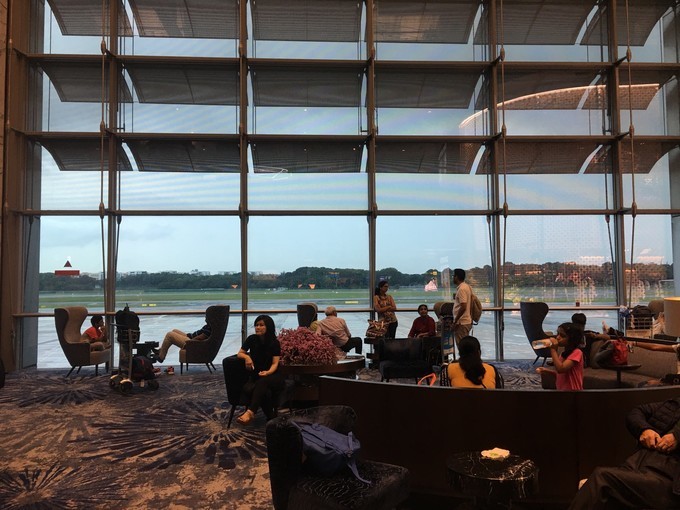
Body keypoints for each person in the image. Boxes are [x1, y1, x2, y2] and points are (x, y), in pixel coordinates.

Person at [569, 397, 680, 509]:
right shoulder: (674, 404)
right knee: (594, 488)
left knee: (601, 478)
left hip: (667, 480)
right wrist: (644, 429)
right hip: (637, 465)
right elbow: (636, 412)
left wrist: (677, 436)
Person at [236, 314, 285, 425]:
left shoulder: (274, 343)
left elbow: (275, 363)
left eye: (261, 325)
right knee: (264, 390)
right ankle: (271, 418)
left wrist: (268, 372)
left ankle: (250, 412)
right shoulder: (251, 339)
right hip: (258, 375)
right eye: (256, 325)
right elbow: (240, 353)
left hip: (274, 375)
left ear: (268, 327)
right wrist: (247, 357)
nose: (258, 327)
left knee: (263, 382)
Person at [535, 322, 584, 390]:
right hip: (561, 391)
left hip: (573, 392)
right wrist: (547, 371)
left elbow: (561, 369)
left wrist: (553, 350)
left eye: (562, 336)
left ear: (572, 339)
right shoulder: (563, 354)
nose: (557, 337)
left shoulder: (577, 353)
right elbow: (561, 374)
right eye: (558, 334)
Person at [452, 268, 473, 346]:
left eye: (453, 276)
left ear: (456, 277)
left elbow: (463, 306)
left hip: (462, 323)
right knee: (465, 345)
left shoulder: (462, 289)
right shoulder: (467, 287)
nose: (452, 278)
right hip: (465, 321)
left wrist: (455, 321)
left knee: (462, 346)